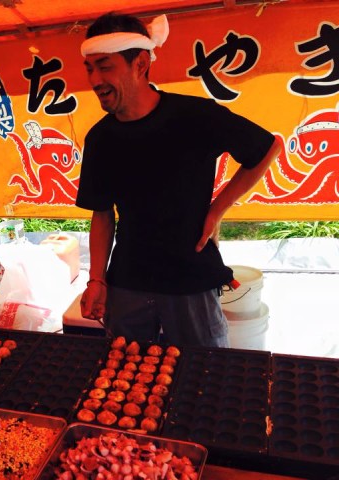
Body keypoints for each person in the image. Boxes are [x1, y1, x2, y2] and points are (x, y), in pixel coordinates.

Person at [76, 13, 281, 347]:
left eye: (105, 66)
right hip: (128, 279)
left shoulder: (194, 116)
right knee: (126, 379)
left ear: (140, 63)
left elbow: (266, 147)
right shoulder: (101, 137)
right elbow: (101, 214)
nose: (94, 79)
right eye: (89, 68)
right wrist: (96, 279)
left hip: (191, 278)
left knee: (205, 379)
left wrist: (217, 210)